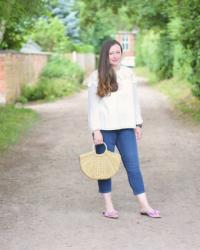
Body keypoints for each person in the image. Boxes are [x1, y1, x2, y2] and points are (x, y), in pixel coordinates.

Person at [87, 39, 161, 219]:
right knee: (104, 168)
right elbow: (93, 107)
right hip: (105, 131)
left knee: (133, 167)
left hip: (126, 129)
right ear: (105, 55)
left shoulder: (129, 74)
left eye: (117, 52)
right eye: (111, 53)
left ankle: (144, 205)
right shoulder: (96, 76)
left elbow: (135, 101)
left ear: (121, 53)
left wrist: (138, 123)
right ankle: (109, 207)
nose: (115, 56)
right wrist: (95, 130)